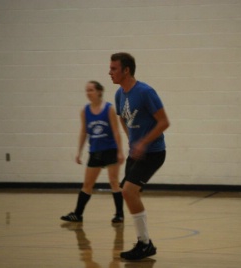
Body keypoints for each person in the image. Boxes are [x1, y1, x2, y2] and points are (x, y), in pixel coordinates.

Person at [109, 52, 170, 260]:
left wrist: (143, 143)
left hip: (153, 153)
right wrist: (131, 140)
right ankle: (143, 243)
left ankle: (145, 243)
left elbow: (164, 122)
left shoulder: (145, 92)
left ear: (126, 70)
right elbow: (123, 119)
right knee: (128, 193)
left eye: (114, 68)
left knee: (128, 191)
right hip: (136, 153)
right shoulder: (119, 95)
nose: (110, 72)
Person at [61, 81, 125, 223]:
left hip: (110, 150)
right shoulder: (85, 111)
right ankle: (77, 214)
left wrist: (120, 152)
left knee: (114, 182)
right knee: (87, 184)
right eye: (87, 90)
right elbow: (84, 132)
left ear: (99, 92)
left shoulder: (109, 109)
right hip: (95, 151)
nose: (88, 93)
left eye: (91, 90)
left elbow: (116, 131)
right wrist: (79, 152)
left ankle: (119, 214)